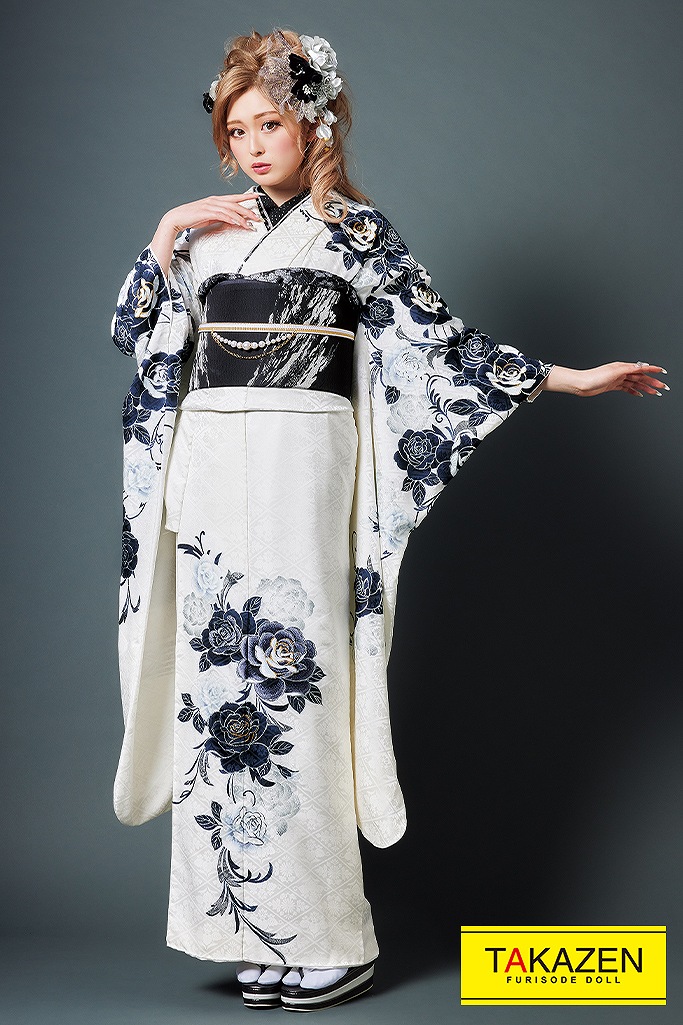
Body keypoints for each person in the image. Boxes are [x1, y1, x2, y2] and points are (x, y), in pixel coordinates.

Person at [109, 27, 668, 1013]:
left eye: (269, 123)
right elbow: (133, 336)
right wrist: (163, 234)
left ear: (312, 124)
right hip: (211, 464)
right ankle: (249, 926)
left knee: (296, 679)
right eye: (235, 129)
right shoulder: (202, 236)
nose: (251, 145)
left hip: (303, 463)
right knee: (219, 685)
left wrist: (568, 377)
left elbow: (442, 348)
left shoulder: (355, 235)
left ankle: (326, 931)